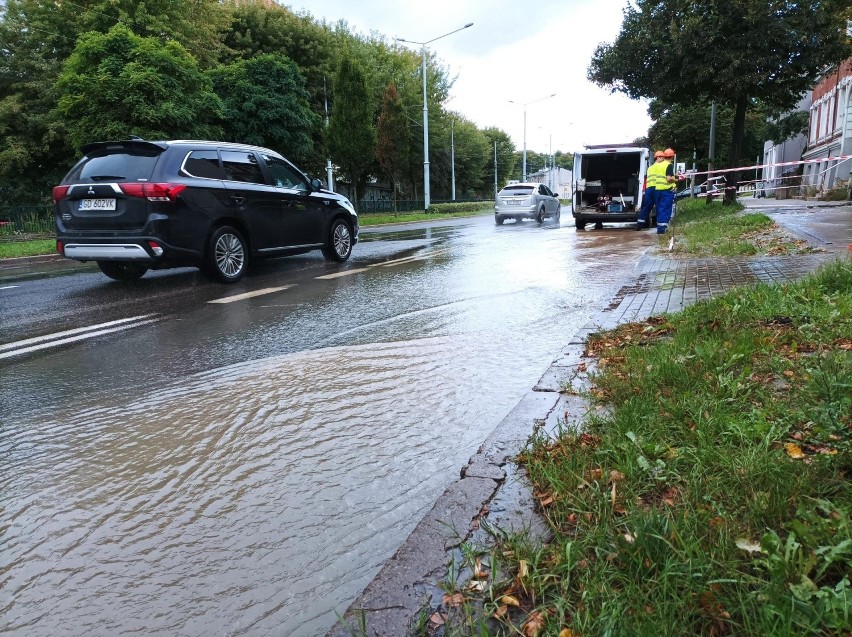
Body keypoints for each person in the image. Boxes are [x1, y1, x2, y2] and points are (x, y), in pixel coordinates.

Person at [635, 150, 665, 230]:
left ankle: (639, 225)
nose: (663, 160)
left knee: (646, 208)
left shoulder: (650, 168)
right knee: (659, 207)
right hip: (657, 188)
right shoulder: (661, 167)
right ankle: (661, 226)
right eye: (662, 158)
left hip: (649, 189)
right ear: (658, 158)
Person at [654, 148, 678, 234]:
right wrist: (677, 180)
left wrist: (674, 175)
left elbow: (662, 175)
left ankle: (660, 227)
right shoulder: (669, 165)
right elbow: (668, 179)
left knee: (660, 209)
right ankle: (662, 229)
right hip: (667, 191)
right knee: (666, 209)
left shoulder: (659, 164)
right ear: (672, 157)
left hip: (658, 190)